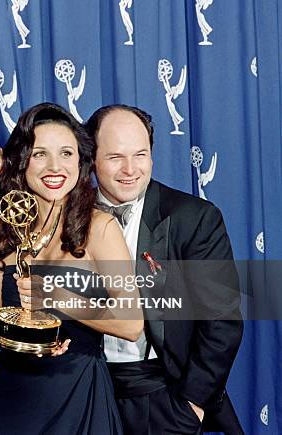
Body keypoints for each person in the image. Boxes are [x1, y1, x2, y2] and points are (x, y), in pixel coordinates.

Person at [0, 102, 143, 434]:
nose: (55, 166)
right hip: (11, 399)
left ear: (80, 163)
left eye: (66, 153)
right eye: (40, 154)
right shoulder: (5, 229)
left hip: (78, 398)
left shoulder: (100, 228)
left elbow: (131, 323)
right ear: (22, 161)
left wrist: (57, 296)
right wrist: (23, 340)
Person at [85, 104, 244, 434]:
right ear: (92, 158)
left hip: (162, 393)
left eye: (140, 155)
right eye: (115, 157)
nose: (130, 169)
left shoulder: (194, 218)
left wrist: (192, 406)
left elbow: (222, 322)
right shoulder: (66, 216)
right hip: (86, 388)